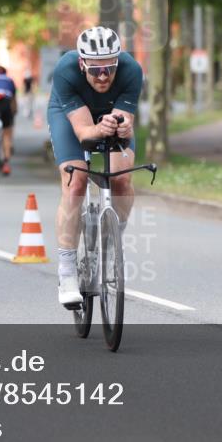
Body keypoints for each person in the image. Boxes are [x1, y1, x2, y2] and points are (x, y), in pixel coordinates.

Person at [47, 26, 142, 306]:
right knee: (75, 182)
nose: (103, 76)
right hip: (70, 118)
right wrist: (99, 129)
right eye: (96, 70)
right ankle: (67, 271)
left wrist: (123, 129)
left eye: (109, 69)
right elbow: (84, 133)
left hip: (109, 112)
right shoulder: (65, 71)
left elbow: (124, 121)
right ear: (82, 64)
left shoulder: (131, 70)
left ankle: (111, 247)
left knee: (122, 178)